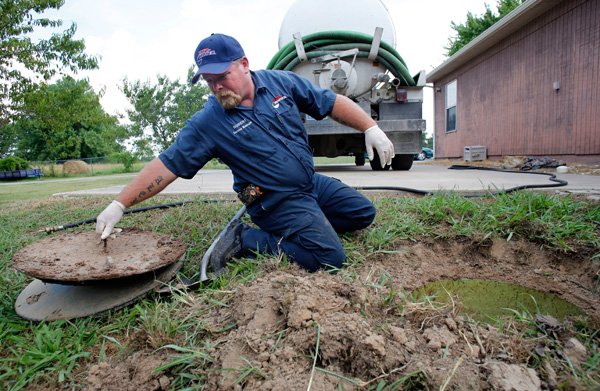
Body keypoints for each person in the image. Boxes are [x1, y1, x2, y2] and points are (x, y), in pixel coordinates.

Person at [96, 33, 395, 273]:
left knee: (362, 213)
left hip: (308, 184)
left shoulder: (281, 82)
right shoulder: (209, 122)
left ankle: (307, 228)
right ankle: (245, 238)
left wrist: (370, 127)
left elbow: (328, 102)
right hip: (274, 200)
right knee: (329, 257)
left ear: (243, 64)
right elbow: (168, 163)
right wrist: (120, 204)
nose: (216, 87)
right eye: (208, 81)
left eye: (222, 76)